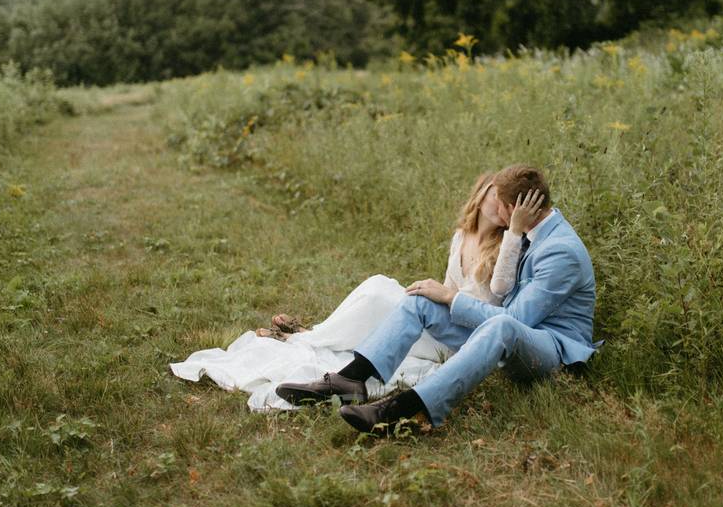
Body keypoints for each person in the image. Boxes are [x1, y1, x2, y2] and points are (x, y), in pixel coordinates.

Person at [169, 170, 545, 411]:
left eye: (510, 205)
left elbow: (498, 291)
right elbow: (448, 287)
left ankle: (311, 338)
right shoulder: (461, 236)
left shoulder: (506, 245)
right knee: (381, 288)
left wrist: (514, 233)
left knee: (384, 295)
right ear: (481, 194)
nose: (503, 208)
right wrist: (434, 294)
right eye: (497, 198)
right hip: (443, 318)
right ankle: (312, 337)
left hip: (465, 337)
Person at [276, 164, 602, 434]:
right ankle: (350, 379)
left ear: (513, 209)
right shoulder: (529, 232)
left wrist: (452, 296)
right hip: (505, 335)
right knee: (421, 300)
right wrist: (445, 295)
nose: (500, 218)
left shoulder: (561, 251)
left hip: (550, 351)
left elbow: (516, 321)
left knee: (499, 323)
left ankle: (407, 409)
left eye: (501, 208)